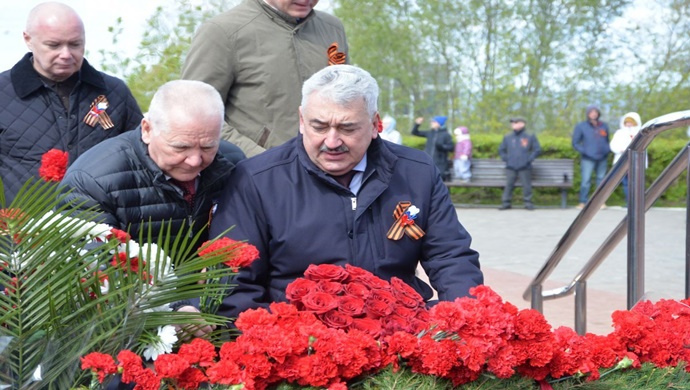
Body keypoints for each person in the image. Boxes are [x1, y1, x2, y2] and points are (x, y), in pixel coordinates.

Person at [209, 64, 483, 319]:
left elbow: (451, 257)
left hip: (400, 329)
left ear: (376, 125)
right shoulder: (256, 180)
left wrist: (460, 319)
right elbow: (233, 285)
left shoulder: (417, 172)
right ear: (301, 120)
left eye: (347, 128)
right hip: (303, 341)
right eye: (318, 126)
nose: (332, 141)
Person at [59, 80, 244, 253]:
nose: (195, 160)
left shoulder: (234, 164)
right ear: (147, 130)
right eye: (181, 147)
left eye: (208, 146)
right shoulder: (91, 182)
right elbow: (95, 270)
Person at [0, 2, 143, 204]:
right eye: (54, 45)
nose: (66, 54)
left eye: (75, 44)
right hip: (22, 231)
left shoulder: (114, 92)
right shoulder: (2, 94)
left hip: (101, 227)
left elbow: (143, 162)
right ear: (28, 40)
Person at [181, 0, 349, 158]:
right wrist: (264, 160)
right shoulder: (222, 32)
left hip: (330, 171)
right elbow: (195, 114)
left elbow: (347, 100)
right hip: (253, 176)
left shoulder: (332, 28)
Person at [498, 118, 541, 210]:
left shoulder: (530, 136)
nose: (513, 124)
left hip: (525, 166)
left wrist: (528, 159)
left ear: (522, 124)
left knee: (526, 185)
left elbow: (537, 149)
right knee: (509, 185)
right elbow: (501, 150)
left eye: (516, 122)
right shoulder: (508, 136)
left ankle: (528, 203)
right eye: (512, 123)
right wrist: (507, 159)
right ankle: (506, 203)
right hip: (511, 166)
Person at [572, 105, 611, 209]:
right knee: (586, 181)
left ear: (598, 114)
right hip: (587, 158)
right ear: (588, 114)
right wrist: (585, 151)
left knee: (601, 180)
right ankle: (583, 202)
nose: (593, 114)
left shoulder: (604, 126)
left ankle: (600, 202)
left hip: (602, 157)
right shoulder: (581, 126)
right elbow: (575, 143)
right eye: (591, 112)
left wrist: (607, 150)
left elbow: (607, 140)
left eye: (595, 112)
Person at [609, 112, 643, 205]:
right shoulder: (619, 133)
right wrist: (621, 150)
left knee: (636, 183)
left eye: (631, 122)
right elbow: (613, 145)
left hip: (635, 161)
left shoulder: (640, 133)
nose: (628, 124)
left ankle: (638, 202)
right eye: (627, 122)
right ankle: (629, 202)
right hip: (622, 160)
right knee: (626, 183)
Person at [411, 115, 455, 181]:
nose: (431, 123)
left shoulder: (446, 135)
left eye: (433, 121)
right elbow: (415, 132)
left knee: (439, 183)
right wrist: (417, 124)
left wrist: (442, 147)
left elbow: (451, 148)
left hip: (440, 165)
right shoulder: (430, 133)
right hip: (428, 163)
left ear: (439, 123)